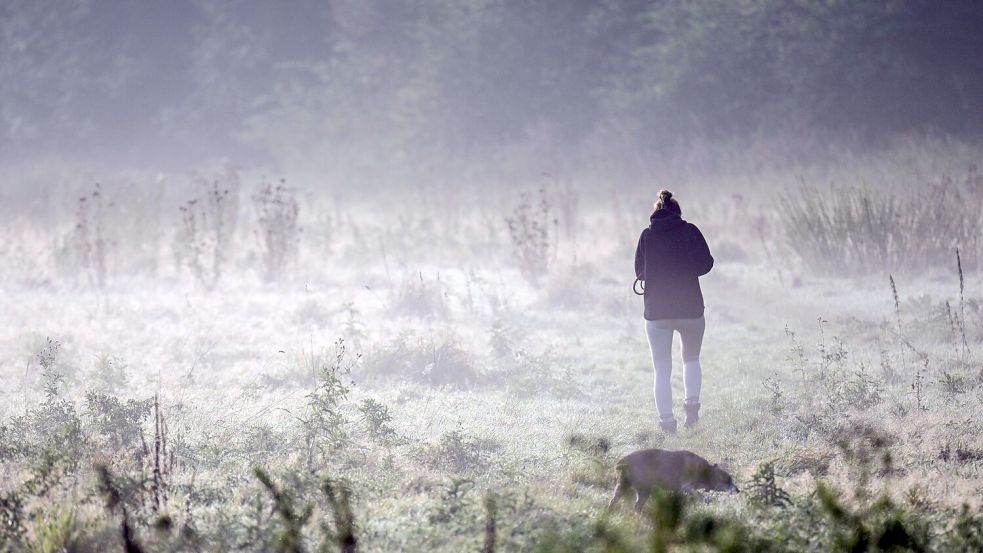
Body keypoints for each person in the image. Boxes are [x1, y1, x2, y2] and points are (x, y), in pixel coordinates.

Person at [634, 190, 714, 434]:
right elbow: (706, 264)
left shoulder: (647, 235)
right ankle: (692, 411)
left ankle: (667, 423)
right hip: (690, 308)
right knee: (691, 359)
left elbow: (639, 272)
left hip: (657, 311)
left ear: (656, 213)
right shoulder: (690, 231)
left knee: (662, 369)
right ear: (678, 213)